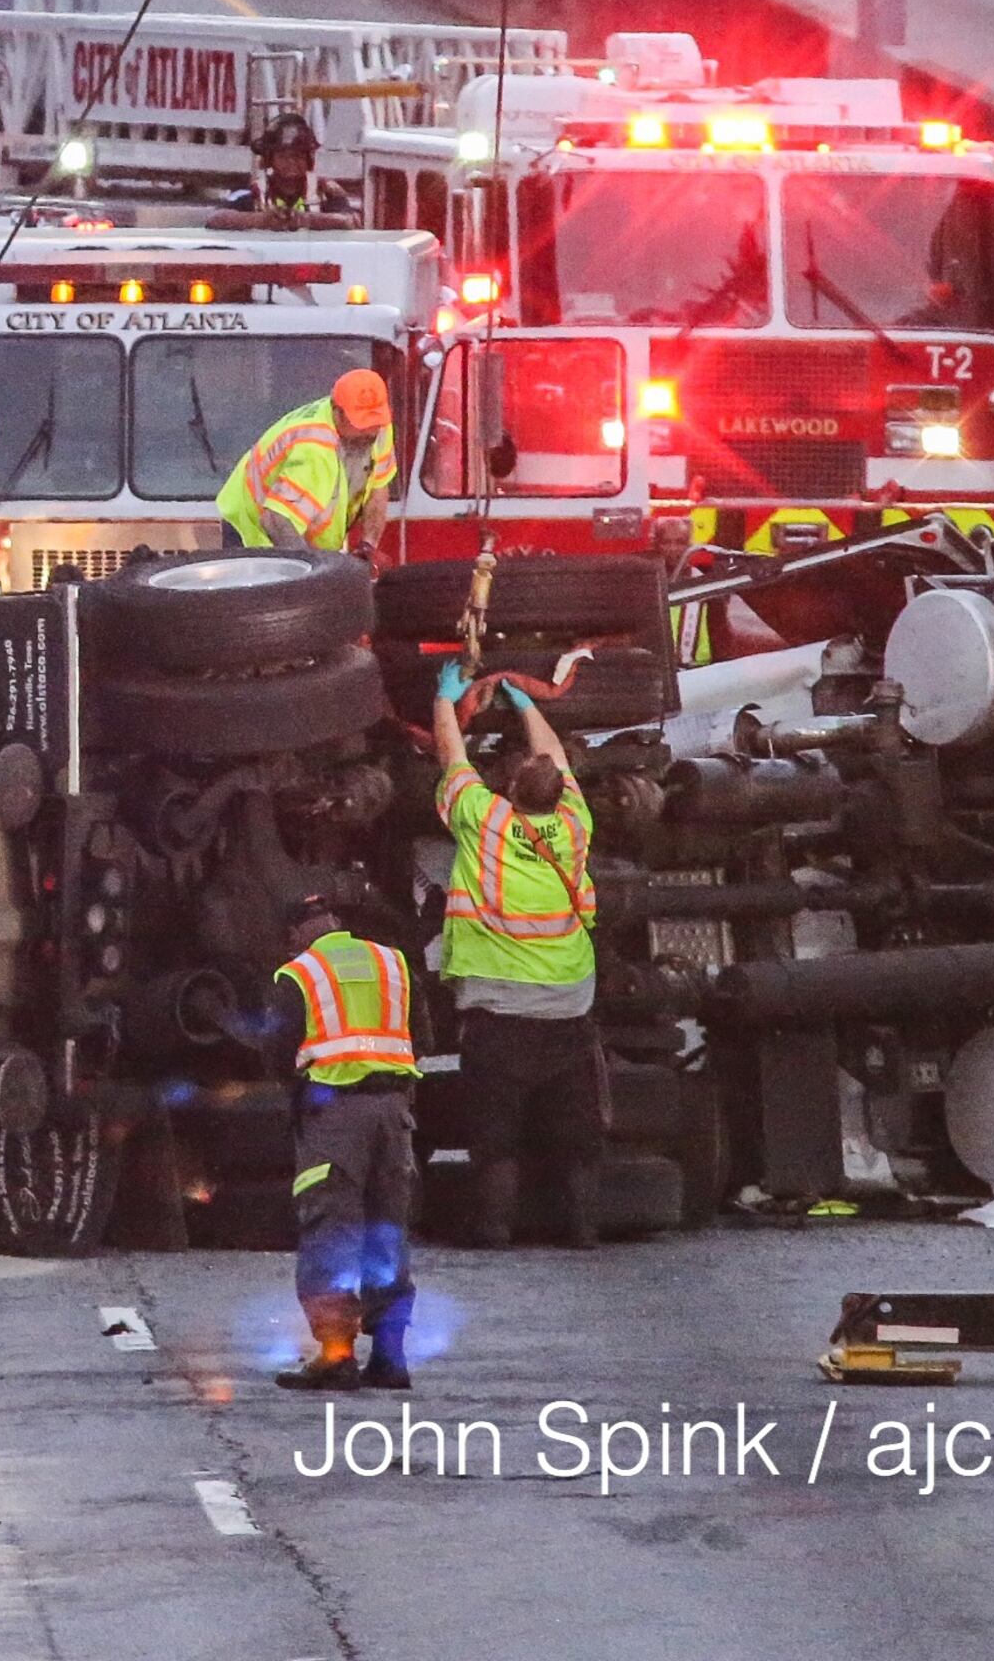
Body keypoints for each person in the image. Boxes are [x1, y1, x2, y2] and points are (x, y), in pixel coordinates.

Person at [430, 662, 606, 1250]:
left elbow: (452, 759)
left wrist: (443, 699)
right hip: (567, 1006)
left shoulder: (486, 822)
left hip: (498, 1010)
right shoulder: (577, 826)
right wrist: (529, 706)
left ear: (507, 793)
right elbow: (554, 754)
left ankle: (495, 1228)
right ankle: (582, 1229)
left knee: (496, 1131)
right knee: (576, 1131)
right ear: (561, 796)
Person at [252, 878, 421, 1392]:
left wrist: (300, 1098)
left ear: (293, 936)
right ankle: (389, 1359)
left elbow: (278, 1052)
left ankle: (336, 1357)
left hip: (335, 1116)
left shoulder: (298, 974)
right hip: (395, 1116)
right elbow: (423, 1038)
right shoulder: (393, 963)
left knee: (331, 1231)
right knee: (387, 1233)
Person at [217, 367, 395, 557]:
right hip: (251, 530)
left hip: (300, 533)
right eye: (360, 424)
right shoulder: (314, 449)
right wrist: (312, 571)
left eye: (374, 422)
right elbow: (275, 520)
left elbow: (379, 485)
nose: (369, 431)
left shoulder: (379, 429)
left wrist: (368, 545)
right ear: (337, 412)